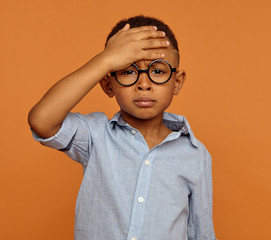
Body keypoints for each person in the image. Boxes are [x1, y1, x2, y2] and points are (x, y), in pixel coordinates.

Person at [28, 15, 216, 240]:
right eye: (128, 71)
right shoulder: (96, 136)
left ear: (177, 82)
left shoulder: (195, 155)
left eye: (158, 71)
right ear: (108, 85)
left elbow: (201, 232)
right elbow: (42, 121)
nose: (144, 84)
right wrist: (106, 60)